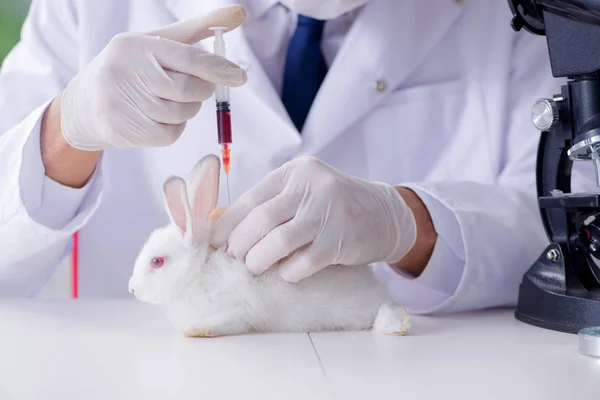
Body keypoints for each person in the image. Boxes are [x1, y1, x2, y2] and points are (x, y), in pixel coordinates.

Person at [0, 0, 591, 312]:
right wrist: (65, 132)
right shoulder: (86, 8)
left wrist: (411, 223)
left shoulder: (517, 15)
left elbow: (568, 227)